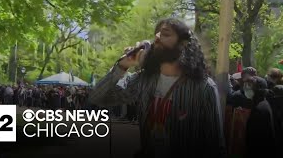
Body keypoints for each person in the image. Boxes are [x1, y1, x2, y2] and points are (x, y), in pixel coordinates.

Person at [89, 18, 226, 158]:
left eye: (165, 34)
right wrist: (122, 66)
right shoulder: (144, 80)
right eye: (157, 34)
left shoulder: (204, 88)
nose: (157, 37)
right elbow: (97, 97)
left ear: (183, 43)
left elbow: (215, 146)